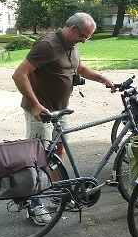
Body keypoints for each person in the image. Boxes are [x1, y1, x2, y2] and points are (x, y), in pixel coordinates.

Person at [12, 12, 117, 225]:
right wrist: (35, 105)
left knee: (57, 154)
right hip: (40, 111)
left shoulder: (71, 44)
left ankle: (54, 194)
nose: (84, 41)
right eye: (83, 36)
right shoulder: (48, 45)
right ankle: (34, 203)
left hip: (60, 111)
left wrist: (102, 78)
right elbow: (19, 74)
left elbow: (79, 68)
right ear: (72, 28)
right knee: (38, 158)